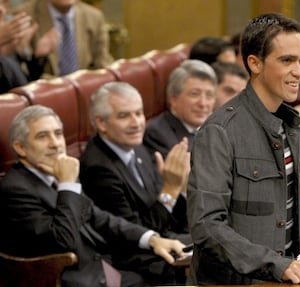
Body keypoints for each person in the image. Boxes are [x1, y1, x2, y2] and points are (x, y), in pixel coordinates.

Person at [186, 13, 300, 285]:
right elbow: (207, 226)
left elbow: (289, 207)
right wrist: (277, 265)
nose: (299, 71)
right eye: (287, 60)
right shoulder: (219, 131)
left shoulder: (287, 123)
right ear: (254, 63)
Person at [0, 104, 186, 287]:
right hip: (70, 278)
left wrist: (152, 239)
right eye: (42, 136)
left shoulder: (58, 174)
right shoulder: (15, 189)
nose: (55, 143)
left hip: (104, 263)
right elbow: (63, 241)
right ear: (20, 148)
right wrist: (67, 184)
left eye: (58, 134)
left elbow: (99, 218)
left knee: (169, 261)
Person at [79, 81, 191, 284]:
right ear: (101, 123)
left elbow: (164, 214)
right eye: (124, 116)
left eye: (139, 113)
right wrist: (171, 189)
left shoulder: (136, 147)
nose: (136, 123)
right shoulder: (98, 168)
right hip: (129, 254)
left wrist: (180, 189)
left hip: (160, 235)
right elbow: (136, 229)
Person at [15, 0, 113, 78]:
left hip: (84, 90)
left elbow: (102, 63)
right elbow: (23, 71)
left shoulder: (94, 16)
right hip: (45, 93)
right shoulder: (24, 16)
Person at [143, 59, 217, 159]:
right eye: (194, 94)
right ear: (173, 99)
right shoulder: (157, 135)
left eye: (209, 95)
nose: (203, 104)